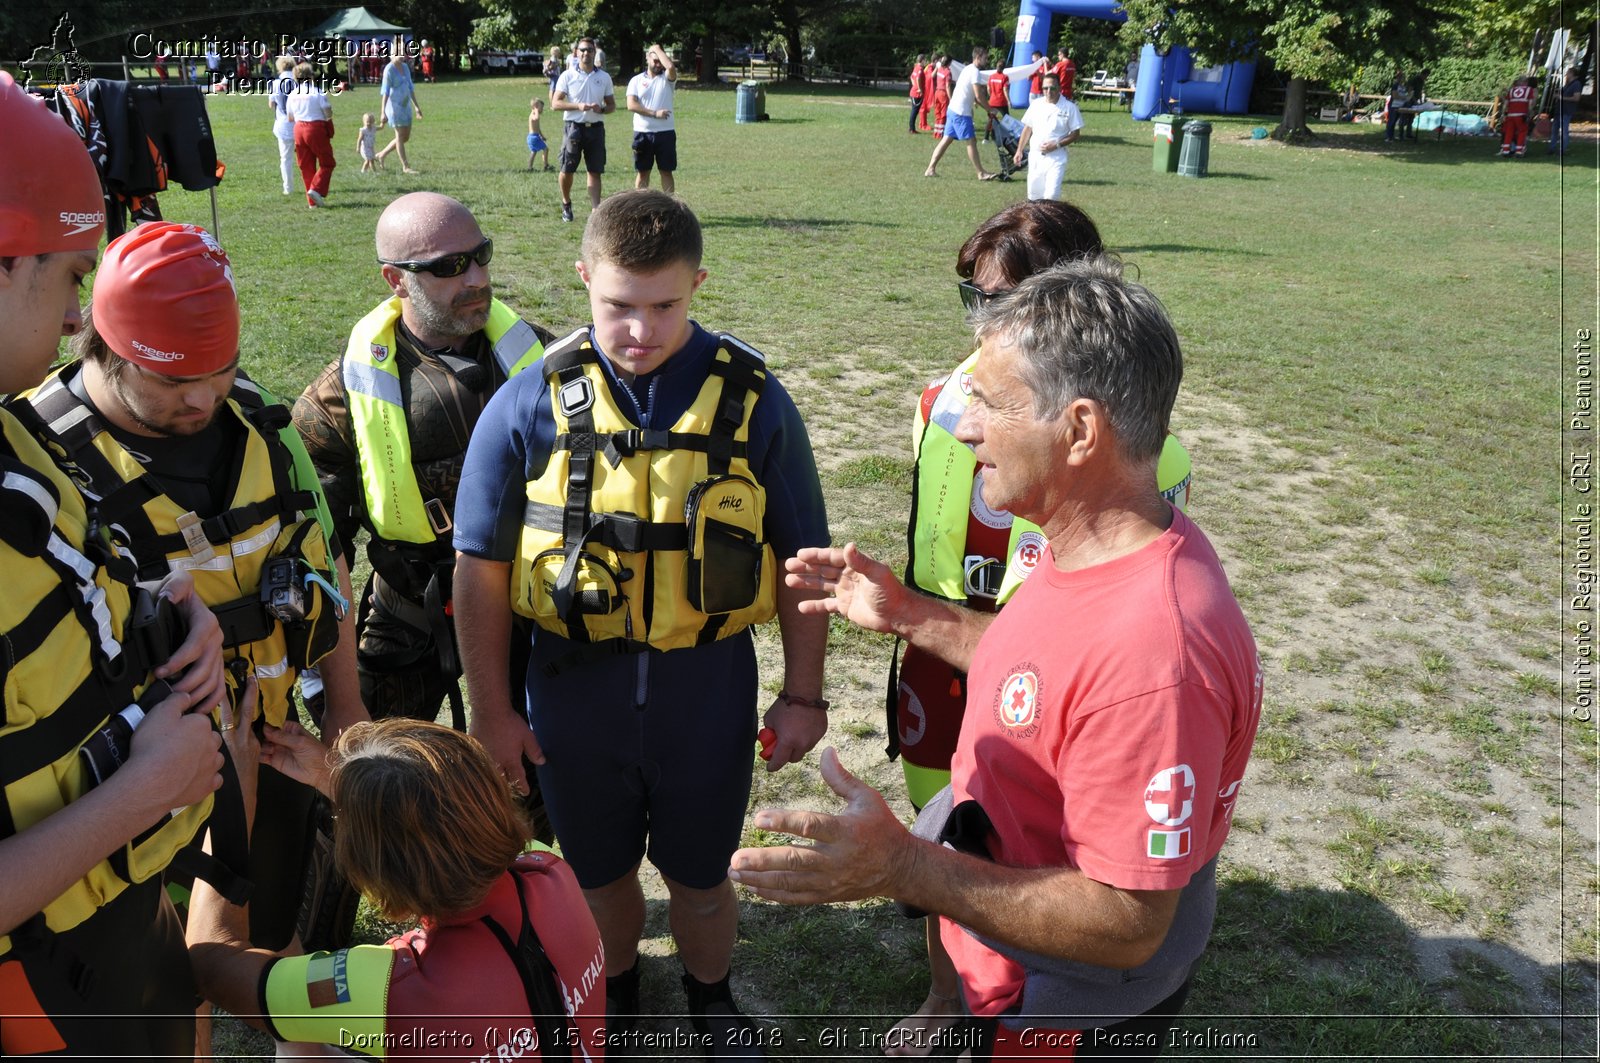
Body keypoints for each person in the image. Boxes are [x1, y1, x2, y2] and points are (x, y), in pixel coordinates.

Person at [729, 258, 1262, 1061]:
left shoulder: (1157, 655)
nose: (963, 425)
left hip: (1061, 1004)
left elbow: (1126, 924)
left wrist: (907, 866)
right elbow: (1049, 679)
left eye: (989, 402)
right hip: (1003, 955)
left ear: (1080, 430)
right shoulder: (1089, 544)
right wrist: (910, 613)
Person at [453, 190, 830, 1054]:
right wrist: (492, 712)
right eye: (618, 305)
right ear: (584, 279)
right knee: (599, 873)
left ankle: (709, 995)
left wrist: (803, 694)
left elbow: (804, 556)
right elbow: (479, 570)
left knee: (701, 880)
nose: (640, 329)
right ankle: (617, 991)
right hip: (571, 693)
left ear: (698, 283)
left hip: (708, 689)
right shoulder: (528, 400)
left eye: (665, 305)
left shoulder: (756, 400)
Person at [881, 200, 1195, 1058]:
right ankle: (951, 991)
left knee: (1029, 841)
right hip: (939, 653)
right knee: (950, 818)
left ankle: (1012, 996)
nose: (984, 320)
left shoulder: (1139, 471)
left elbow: (1126, 915)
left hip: (1025, 659)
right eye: (971, 298)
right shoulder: (943, 400)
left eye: (1006, 300)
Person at [0, 69, 228, 1057]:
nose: (68, 320)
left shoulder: (13, 431)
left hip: (113, 932)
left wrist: (165, 601)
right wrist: (141, 791)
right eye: (63, 274)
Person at [188, 712, 607, 1059]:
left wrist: (233, 804)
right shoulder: (550, 870)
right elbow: (448, 822)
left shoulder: (384, 988)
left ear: (378, 877)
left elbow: (209, 963)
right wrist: (343, 780)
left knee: (305, 1043)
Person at [553, 36, 616, 223]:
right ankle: (566, 203)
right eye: (582, 50)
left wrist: (602, 109)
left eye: (589, 50)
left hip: (595, 129)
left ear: (594, 52)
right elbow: (555, 103)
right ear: (576, 52)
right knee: (567, 169)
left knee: (594, 171)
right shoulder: (568, 76)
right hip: (573, 128)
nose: (585, 53)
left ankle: (596, 210)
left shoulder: (603, 77)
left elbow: (612, 105)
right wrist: (577, 106)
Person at [926, 46, 999, 179]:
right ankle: (981, 173)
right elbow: (978, 95)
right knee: (971, 141)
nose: (987, 60)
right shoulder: (975, 71)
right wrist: (990, 109)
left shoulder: (967, 69)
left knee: (946, 139)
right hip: (960, 112)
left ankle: (930, 169)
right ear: (978, 57)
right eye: (985, 58)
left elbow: (970, 93)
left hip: (953, 109)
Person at [1015, 74, 1084, 201]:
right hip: (1036, 156)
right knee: (1034, 195)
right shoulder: (1036, 104)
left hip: (1056, 158)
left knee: (1051, 195)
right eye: (1045, 88)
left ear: (1059, 88)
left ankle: (1049, 220)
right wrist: (1019, 150)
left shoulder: (1070, 107)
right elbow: (1027, 128)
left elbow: (1075, 134)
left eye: (1052, 88)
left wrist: (1056, 145)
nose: (1048, 92)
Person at [626, 44, 678, 194]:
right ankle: (640, 205)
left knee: (666, 172)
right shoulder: (636, 80)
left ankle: (670, 206)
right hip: (643, 132)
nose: (658, 64)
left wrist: (657, 49)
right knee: (643, 172)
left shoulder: (668, 79)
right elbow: (631, 105)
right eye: (654, 60)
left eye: (660, 61)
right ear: (647, 58)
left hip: (665, 132)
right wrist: (655, 114)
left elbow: (671, 67)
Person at [285, 61, 335, 208]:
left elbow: (290, 117)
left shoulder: (292, 94)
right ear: (309, 76)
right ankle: (316, 189)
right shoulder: (317, 92)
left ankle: (312, 202)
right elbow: (327, 112)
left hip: (298, 129)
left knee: (306, 166)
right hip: (315, 128)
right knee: (327, 162)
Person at [377, 45, 423, 175]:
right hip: (394, 108)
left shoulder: (405, 67)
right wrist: (382, 112)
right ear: (393, 53)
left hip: (405, 107)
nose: (403, 55)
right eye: (400, 53)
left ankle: (382, 154)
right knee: (399, 135)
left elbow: (410, 88)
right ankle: (405, 166)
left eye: (403, 53)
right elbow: (385, 92)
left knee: (405, 137)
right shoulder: (389, 70)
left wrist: (416, 107)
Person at [268, 56, 297, 195]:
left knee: (286, 159)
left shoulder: (276, 83)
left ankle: (288, 188)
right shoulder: (298, 81)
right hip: (300, 124)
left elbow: (271, 104)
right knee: (306, 158)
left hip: (284, 124)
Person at [1500, 74, 1535, 157]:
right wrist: (1530, 113)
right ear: (1526, 82)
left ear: (1519, 82)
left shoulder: (1512, 90)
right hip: (1521, 114)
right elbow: (1530, 104)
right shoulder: (1529, 90)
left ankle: (1505, 151)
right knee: (1522, 132)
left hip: (1510, 114)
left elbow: (1506, 103)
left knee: (1509, 132)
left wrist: (1503, 113)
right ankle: (1519, 151)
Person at [1551, 66, 1583, 155]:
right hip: (1559, 110)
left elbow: (1576, 98)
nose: (1566, 74)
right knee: (1554, 130)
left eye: (1568, 72)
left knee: (1564, 130)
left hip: (1566, 111)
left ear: (1572, 74)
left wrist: (1561, 98)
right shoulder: (1567, 84)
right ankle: (1551, 148)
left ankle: (1562, 149)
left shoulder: (1576, 84)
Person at [1383, 69, 1412, 143]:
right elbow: (1395, 95)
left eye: (1403, 78)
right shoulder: (1395, 85)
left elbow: (1405, 93)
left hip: (1401, 105)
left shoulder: (1403, 86)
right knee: (1392, 121)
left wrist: (1408, 95)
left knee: (1399, 121)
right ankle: (1389, 137)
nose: (1403, 79)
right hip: (1394, 105)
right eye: (1401, 77)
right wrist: (1404, 97)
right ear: (1398, 78)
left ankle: (1395, 136)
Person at [984, 65, 1010, 142]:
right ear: (1004, 68)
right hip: (1001, 102)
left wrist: (991, 95)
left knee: (991, 119)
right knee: (1007, 119)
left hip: (992, 101)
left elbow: (988, 88)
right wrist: (1008, 100)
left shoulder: (991, 77)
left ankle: (986, 138)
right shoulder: (1005, 77)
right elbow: (1005, 89)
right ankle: (1007, 137)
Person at [527, 98, 551, 171]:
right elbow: (536, 118)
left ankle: (530, 167)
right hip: (533, 137)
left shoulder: (534, 114)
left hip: (535, 136)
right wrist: (536, 110)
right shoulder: (533, 114)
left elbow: (538, 128)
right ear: (536, 106)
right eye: (541, 107)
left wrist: (542, 136)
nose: (542, 109)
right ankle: (546, 165)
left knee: (534, 152)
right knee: (545, 149)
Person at [909, 54, 927, 134]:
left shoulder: (916, 68)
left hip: (913, 92)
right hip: (917, 94)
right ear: (922, 60)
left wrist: (914, 85)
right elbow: (918, 78)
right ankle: (911, 129)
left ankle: (911, 128)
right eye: (925, 60)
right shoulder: (920, 69)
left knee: (914, 111)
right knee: (914, 111)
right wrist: (919, 88)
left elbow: (911, 77)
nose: (926, 62)